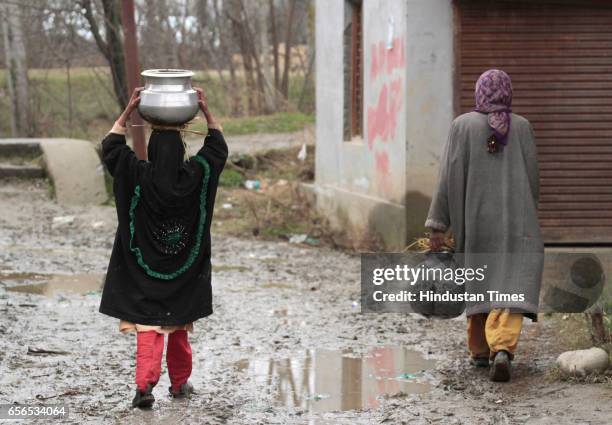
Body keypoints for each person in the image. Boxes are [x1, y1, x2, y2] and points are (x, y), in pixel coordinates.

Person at [99, 86, 228, 407]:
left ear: (153, 150)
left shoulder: (135, 174)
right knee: (179, 326)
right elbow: (218, 150)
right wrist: (207, 113)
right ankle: (180, 384)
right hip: (183, 273)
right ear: (182, 150)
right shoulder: (197, 175)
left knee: (149, 329)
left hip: (143, 275)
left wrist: (129, 111)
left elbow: (111, 148)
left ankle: (144, 388)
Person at [425, 69, 543, 382]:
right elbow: (533, 181)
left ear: (479, 93)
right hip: (516, 225)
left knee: (479, 281)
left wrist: (438, 224)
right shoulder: (523, 127)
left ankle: (479, 351)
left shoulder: (461, 126)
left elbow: (447, 180)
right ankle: (502, 347)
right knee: (510, 284)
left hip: (474, 224)